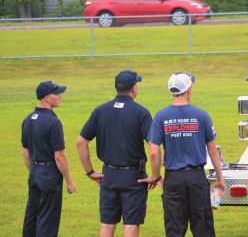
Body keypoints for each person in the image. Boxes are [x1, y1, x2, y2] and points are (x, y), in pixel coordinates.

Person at [139, 72, 226, 237]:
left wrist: (156, 176)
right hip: (197, 178)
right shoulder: (202, 115)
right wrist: (220, 179)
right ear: (189, 90)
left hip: (173, 179)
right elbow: (213, 151)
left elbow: (153, 151)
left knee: (174, 230)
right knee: (203, 228)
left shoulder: (161, 116)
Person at [76, 70, 152, 237]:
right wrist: (155, 175)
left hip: (108, 175)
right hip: (134, 177)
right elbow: (153, 147)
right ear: (134, 88)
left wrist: (90, 172)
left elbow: (81, 142)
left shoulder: (100, 110)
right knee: (131, 224)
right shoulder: (141, 112)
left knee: (107, 224)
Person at [21, 81, 76, 237]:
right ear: (46, 97)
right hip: (50, 175)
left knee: (32, 216)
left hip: (35, 173)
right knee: (47, 220)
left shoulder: (28, 119)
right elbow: (59, 156)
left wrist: (35, 172)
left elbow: (26, 154)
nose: (60, 97)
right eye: (56, 94)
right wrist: (70, 182)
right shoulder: (53, 122)